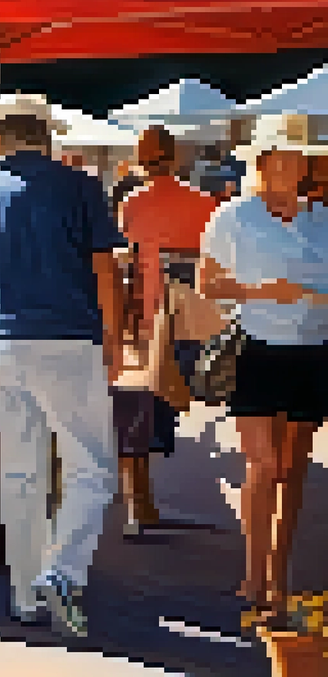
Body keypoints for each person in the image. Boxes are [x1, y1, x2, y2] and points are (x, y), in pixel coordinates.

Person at [0, 95, 124, 638]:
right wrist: (114, 338)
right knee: (91, 468)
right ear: (48, 137)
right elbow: (103, 268)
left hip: (3, 346)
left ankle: (26, 594)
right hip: (70, 340)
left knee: (20, 474)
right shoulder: (80, 186)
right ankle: (62, 571)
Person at [199, 113, 328, 633]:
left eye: (299, 157)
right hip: (255, 347)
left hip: (314, 349)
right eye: (280, 157)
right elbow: (208, 284)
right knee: (267, 465)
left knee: (293, 467)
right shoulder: (233, 217)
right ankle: (254, 575)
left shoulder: (320, 220)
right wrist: (260, 293)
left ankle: (278, 574)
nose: (290, 166)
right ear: (262, 162)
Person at [115, 126, 221, 536]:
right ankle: (142, 502)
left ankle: (138, 503)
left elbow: (127, 262)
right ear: (176, 159)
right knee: (169, 403)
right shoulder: (203, 203)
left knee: (135, 411)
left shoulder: (132, 202)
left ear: (142, 160)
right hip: (189, 320)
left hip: (146, 317)